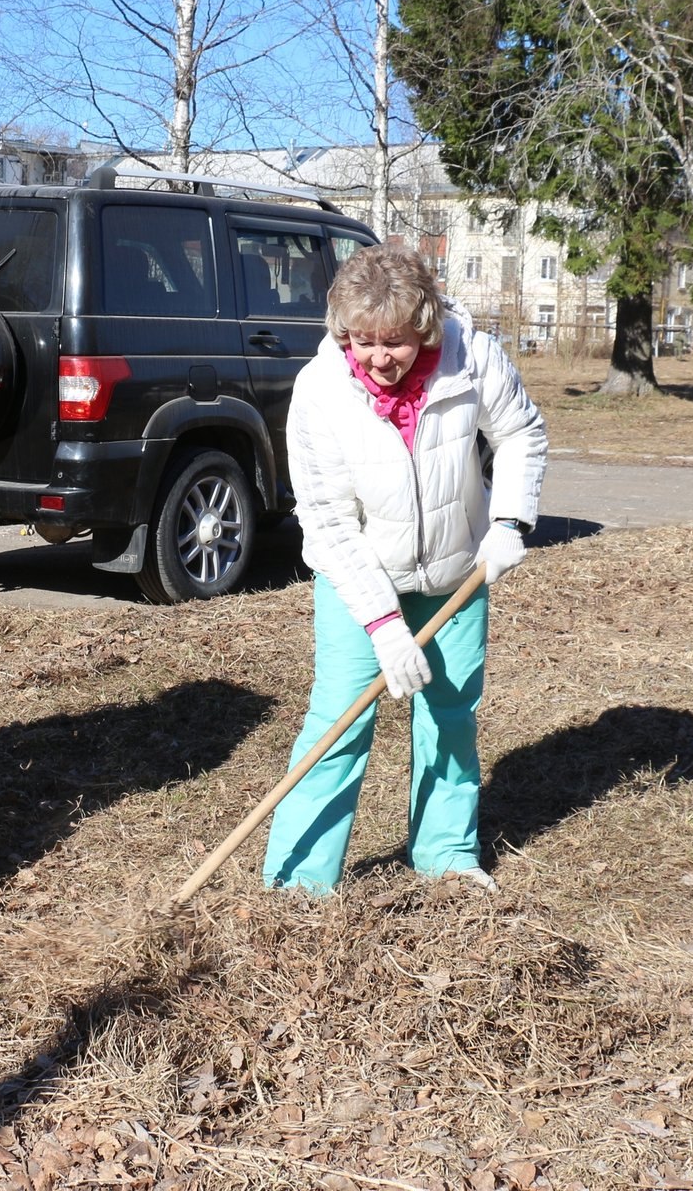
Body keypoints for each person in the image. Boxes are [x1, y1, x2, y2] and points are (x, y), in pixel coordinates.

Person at [262, 243, 547, 896]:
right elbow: (329, 524)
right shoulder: (320, 392)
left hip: (455, 574)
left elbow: (522, 433)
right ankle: (298, 881)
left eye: (393, 342)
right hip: (359, 580)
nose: (376, 358)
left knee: (451, 714)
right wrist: (385, 627)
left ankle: (446, 855)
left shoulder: (470, 357)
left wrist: (508, 521)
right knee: (338, 720)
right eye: (361, 341)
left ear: (424, 328)